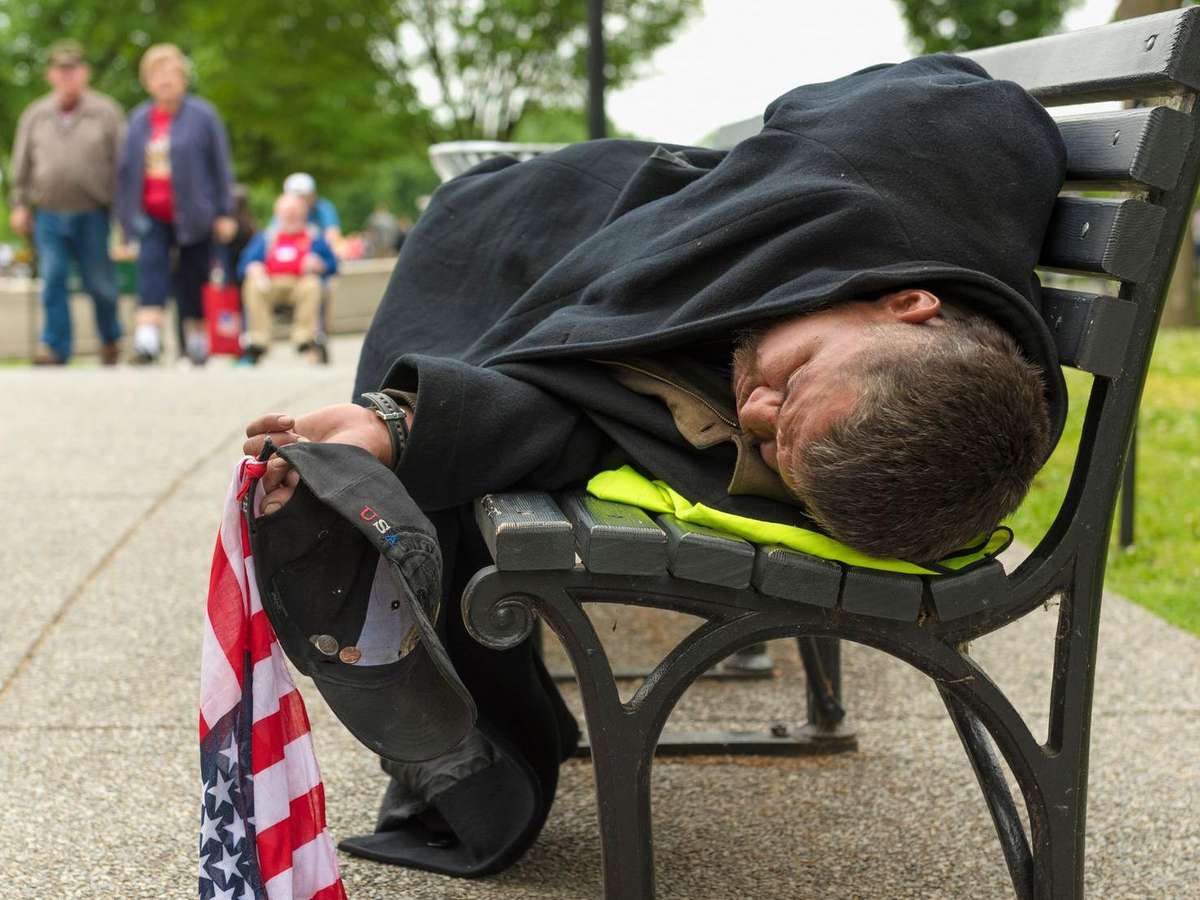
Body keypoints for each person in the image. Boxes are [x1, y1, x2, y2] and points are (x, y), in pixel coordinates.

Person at [241, 56, 1067, 876]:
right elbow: (928, 97)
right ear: (907, 305)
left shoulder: (877, 466)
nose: (752, 409)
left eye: (770, 446)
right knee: (470, 226)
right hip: (597, 209)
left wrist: (394, 428)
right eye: (794, 381)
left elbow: (596, 407)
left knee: (464, 322)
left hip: (569, 289)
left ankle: (471, 747)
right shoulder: (933, 174)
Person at [116, 43, 236, 365]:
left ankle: (196, 343)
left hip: (196, 214)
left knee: (193, 278)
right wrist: (124, 226)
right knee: (150, 272)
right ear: (147, 82)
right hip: (151, 214)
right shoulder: (138, 121)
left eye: (172, 73)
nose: (165, 81)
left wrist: (225, 212)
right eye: (157, 74)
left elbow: (221, 166)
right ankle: (147, 342)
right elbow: (126, 174)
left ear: (184, 78)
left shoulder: (203, 116)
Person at [9, 39, 126, 366]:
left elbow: (123, 166)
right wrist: (19, 205)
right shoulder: (36, 114)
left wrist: (123, 215)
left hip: (93, 212)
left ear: (84, 73)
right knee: (54, 278)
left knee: (100, 283)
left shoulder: (106, 112)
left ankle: (110, 339)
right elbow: (21, 165)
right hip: (48, 214)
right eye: (61, 70)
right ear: (50, 75)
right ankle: (56, 347)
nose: (67, 76)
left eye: (73, 70)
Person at [236, 192, 338, 364]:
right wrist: (253, 267)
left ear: (303, 214)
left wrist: (320, 265)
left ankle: (304, 338)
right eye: (287, 213)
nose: (291, 217)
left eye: (295, 212)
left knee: (312, 284)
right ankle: (258, 341)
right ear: (278, 214)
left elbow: (333, 265)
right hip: (270, 284)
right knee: (252, 284)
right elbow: (243, 265)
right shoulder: (266, 237)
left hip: (300, 284)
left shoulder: (314, 237)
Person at [282, 172, 342, 250]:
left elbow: (333, 235)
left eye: (303, 197)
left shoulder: (323, 207)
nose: (300, 201)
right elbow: (273, 235)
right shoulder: (285, 210)